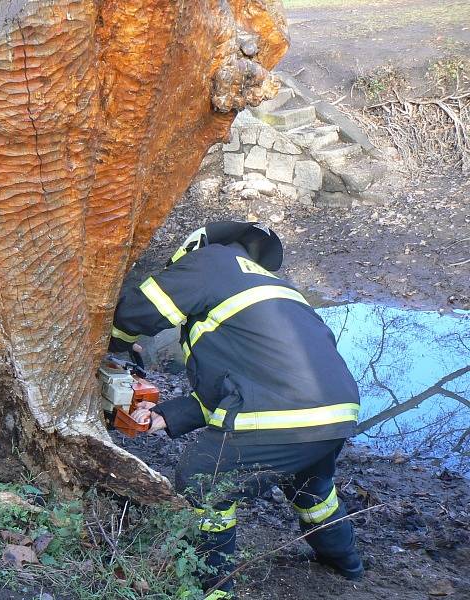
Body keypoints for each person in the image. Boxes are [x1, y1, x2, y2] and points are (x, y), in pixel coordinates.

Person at [108, 221, 364, 600]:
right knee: (313, 492)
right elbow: (238, 384)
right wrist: (169, 415)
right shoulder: (279, 288)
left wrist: (114, 346)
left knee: (202, 480)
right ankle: (348, 566)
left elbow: (135, 312)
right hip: (335, 412)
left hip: (284, 412)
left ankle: (212, 589)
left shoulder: (211, 261)